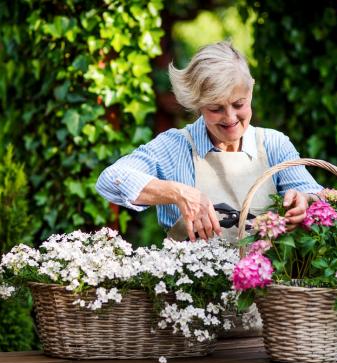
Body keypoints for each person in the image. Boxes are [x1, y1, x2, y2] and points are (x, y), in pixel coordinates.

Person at [96, 41, 322, 243]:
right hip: (192, 286)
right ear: (198, 104)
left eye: (239, 104)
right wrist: (180, 193)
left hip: (268, 287)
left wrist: (304, 201)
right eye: (216, 108)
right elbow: (110, 179)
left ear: (250, 92)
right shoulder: (175, 147)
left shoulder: (274, 145)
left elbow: (315, 194)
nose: (230, 117)